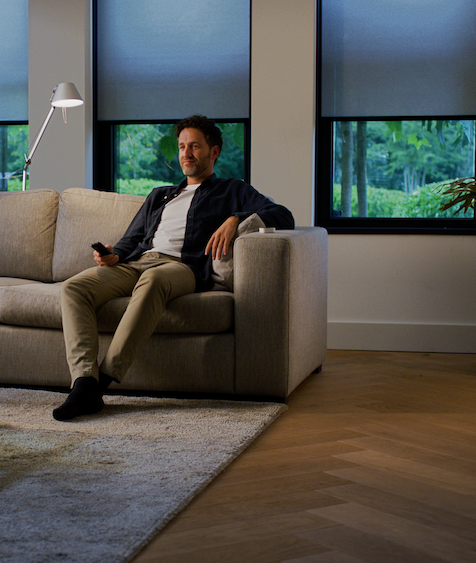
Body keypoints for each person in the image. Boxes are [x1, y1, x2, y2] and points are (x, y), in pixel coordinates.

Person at [53, 115, 295, 421]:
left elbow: (283, 214)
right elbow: (131, 240)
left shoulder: (232, 190)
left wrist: (236, 218)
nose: (186, 153)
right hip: (137, 263)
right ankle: (83, 380)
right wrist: (114, 256)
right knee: (75, 287)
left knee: (154, 279)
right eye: (182, 146)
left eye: (195, 146)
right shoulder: (160, 194)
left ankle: (100, 383)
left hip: (183, 267)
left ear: (214, 152)